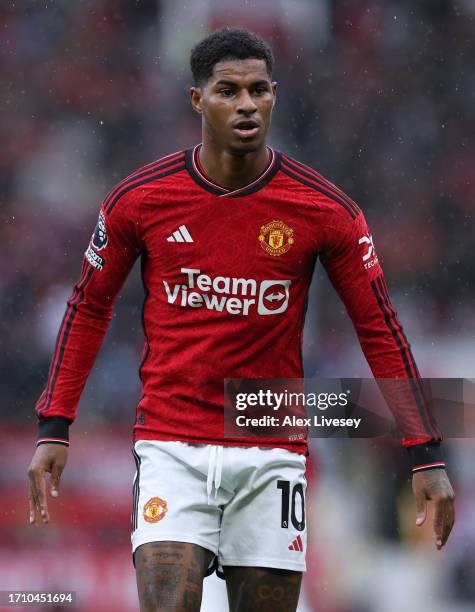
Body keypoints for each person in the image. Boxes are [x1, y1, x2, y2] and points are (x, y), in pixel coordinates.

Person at [27, 27, 455, 612]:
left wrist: (424, 451)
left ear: (275, 95)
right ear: (198, 100)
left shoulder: (324, 210)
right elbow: (88, 306)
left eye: (258, 90)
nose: (247, 104)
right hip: (171, 444)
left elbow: (379, 328)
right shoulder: (141, 199)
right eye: (228, 90)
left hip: (271, 444)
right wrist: (55, 423)